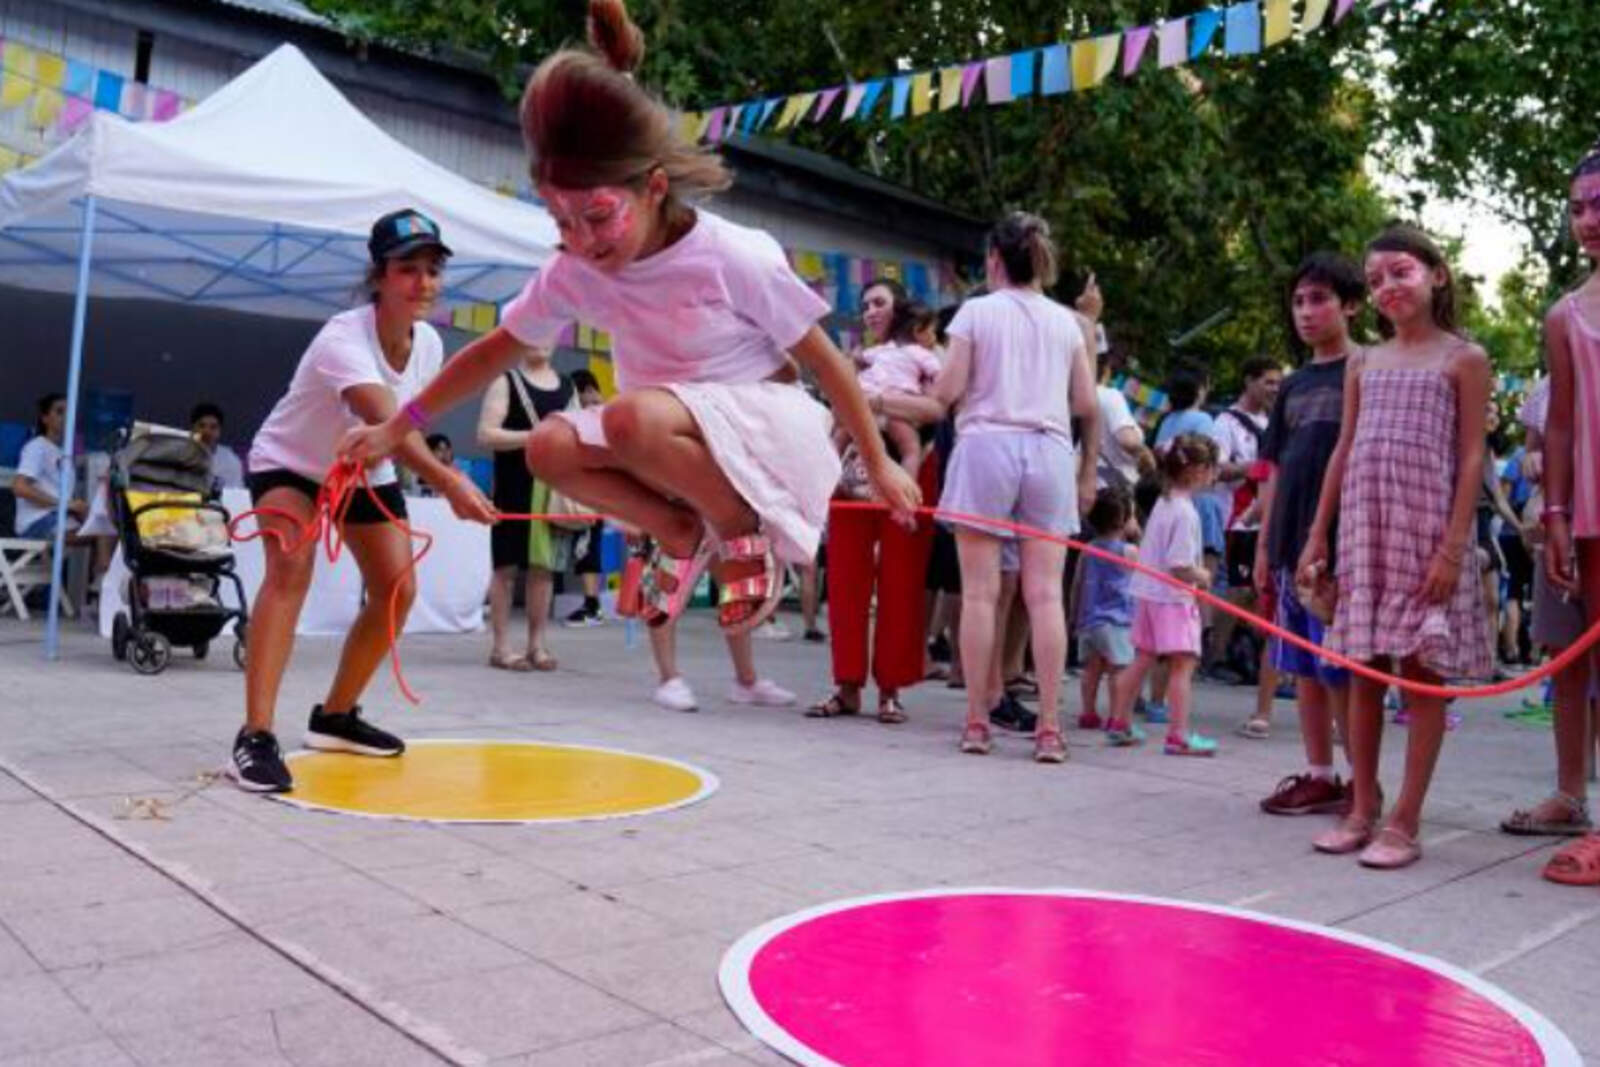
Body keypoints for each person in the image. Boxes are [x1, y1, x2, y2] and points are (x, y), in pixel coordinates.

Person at [342, 0, 919, 644]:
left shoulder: (731, 255)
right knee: (546, 448)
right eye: (562, 221)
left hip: (765, 423)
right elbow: (495, 350)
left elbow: (824, 359)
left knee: (628, 414)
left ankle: (738, 531)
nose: (583, 241)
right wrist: (399, 425)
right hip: (663, 436)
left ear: (654, 188)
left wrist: (879, 461)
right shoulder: (574, 268)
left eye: (597, 216)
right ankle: (676, 531)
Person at [228, 209, 495, 793]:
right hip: (292, 464)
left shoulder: (426, 341)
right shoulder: (342, 337)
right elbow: (384, 415)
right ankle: (255, 737)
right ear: (379, 277)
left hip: (363, 467)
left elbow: (400, 428)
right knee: (290, 568)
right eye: (408, 270)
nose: (423, 283)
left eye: (433, 270)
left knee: (398, 589)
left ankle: (336, 717)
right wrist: (449, 482)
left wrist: (433, 471)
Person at [1299, 223, 1494, 870]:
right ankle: (1362, 805)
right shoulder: (1364, 361)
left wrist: (1452, 545)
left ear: (1437, 274)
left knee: (1421, 674)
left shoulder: (1464, 358)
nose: (1387, 286)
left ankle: (1405, 820)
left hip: (1428, 530)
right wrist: (1317, 534)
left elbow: (1470, 457)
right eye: (1376, 277)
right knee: (1360, 666)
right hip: (1364, 527)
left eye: (1401, 271)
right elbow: (1342, 451)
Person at [925, 211, 1100, 763]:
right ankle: (1050, 727)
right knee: (1045, 594)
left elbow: (947, 392)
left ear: (994, 260)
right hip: (1049, 451)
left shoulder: (975, 312)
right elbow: (1085, 403)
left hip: (986, 446)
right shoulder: (1066, 323)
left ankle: (978, 721)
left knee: (981, 593)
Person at [1254, 252, 1364, 816]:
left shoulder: (1367, 369)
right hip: (1289, 545)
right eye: (1299, 301)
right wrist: (1264, 543)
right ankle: (1320, 774)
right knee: (1301, 666)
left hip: (1342, 549)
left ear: (1350, 304)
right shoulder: (1293, 386)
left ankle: (1360, 782)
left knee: (1339, 666)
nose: (1307, 311)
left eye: (1319, 299)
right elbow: (1272, 469)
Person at [810, 279, 941, 725]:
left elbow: (937, 410)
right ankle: (846, 685)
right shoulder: (858, 358)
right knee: (845, 580)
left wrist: (879, 402)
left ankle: (890, 690)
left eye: (879, 302)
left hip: (907, 477)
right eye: (865, 304)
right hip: (850, 474)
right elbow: (833, 401)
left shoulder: (922, 355)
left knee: (900, 583)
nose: (870, 311)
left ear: (898, 306)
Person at [1499, 376, 1597, 848]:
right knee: (1566, 664)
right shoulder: (1552, 385)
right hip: (1560, 533)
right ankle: (1570, 796)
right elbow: (1533, 448)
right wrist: (1536, 463)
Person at [1539, 138, 1600, 885]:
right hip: (1587, 516)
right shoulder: (1566, 315)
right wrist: (1552, 511)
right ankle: (1576, 799)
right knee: (1580, 662)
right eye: (1580, 207)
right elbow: (1558, 422)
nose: (1589, 219)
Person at [1107, 434, 1219, 755]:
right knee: (1183, 665)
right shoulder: (1186, 513)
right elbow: (1180, 565)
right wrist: (1204, 576)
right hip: (1172, 599)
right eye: (1212, 468)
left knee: (1142, 658)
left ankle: (1119, 722)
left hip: (1147, 593)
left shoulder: (1163, 503)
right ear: (1197, 471)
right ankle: (1179, 735)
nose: (1215, 475)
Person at [477, 343, 574, 671]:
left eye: (548, 334)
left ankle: (537, 645)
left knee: (543, 569)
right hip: (513, 487)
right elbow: (486, 434)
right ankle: (501, 647)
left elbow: (577, 432)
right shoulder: (506, 381)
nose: (541, 341)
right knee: (505, 568)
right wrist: (536, 436)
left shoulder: (567, 386)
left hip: (552, 488)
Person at [10, 393, 115, 581]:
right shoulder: (37, 447)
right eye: (59, 411)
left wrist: (79, 507)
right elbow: (19, 487)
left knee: (109, 525)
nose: (67, 416)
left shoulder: (63, 454)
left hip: (56, 518)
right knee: (102, 530)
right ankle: (102, 582)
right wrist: (66, 505)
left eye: (70, 412)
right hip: (36, 522)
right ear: (45, 419)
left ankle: (100, 581)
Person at [835, 301, 942, 484]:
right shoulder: (923, 354)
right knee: (910, 449)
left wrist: (857, 362)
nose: (934, 338)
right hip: (894, 411)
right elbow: (939, 374)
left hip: (863, 407)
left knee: (839, 438)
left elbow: (857, 357)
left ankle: (826, 486)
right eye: (931, 332)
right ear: (917, 331)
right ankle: (906, 502)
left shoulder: (882, 350)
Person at [1074, 487, 1136, 730]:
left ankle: (1088, 712)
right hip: (1117, 622)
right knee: (1118, 670)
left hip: (1089, 620)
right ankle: (1116, 716)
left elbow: (1078, 584)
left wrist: (1074, 614)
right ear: (1123, 520)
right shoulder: (1129, 551)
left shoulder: (1087, 550)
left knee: (1091, 670)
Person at [565, 368, 609, 627]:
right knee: (585, 547)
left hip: (592, 492)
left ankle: (593, 607)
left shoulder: (592, 416)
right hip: (591, 489)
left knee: (587, 547)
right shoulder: (602, 414)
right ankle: (591, 604)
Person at [190, 403, 245, 490]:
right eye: (201, 426)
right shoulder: (178, 456)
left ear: (219, 431)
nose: (207, 432)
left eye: (213, 427)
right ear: (193, 429)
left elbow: (236, 496)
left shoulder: (231, 460)